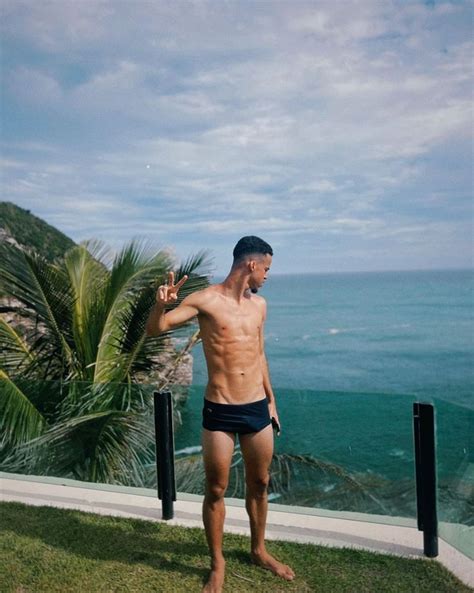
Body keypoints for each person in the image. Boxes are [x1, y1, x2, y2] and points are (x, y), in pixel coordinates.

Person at [146, 235, 295, 593]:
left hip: (257, 406)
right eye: (268, 269)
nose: (267, 277)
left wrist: (272, 401)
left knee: (260, 484)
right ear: (252, 265)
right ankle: (218, 563)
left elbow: (259, 355)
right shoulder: (205, 300)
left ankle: (258, 550)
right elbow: (158, 329)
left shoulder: (259, 306)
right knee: (216, 488)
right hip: (221, 409)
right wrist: (159, 306)